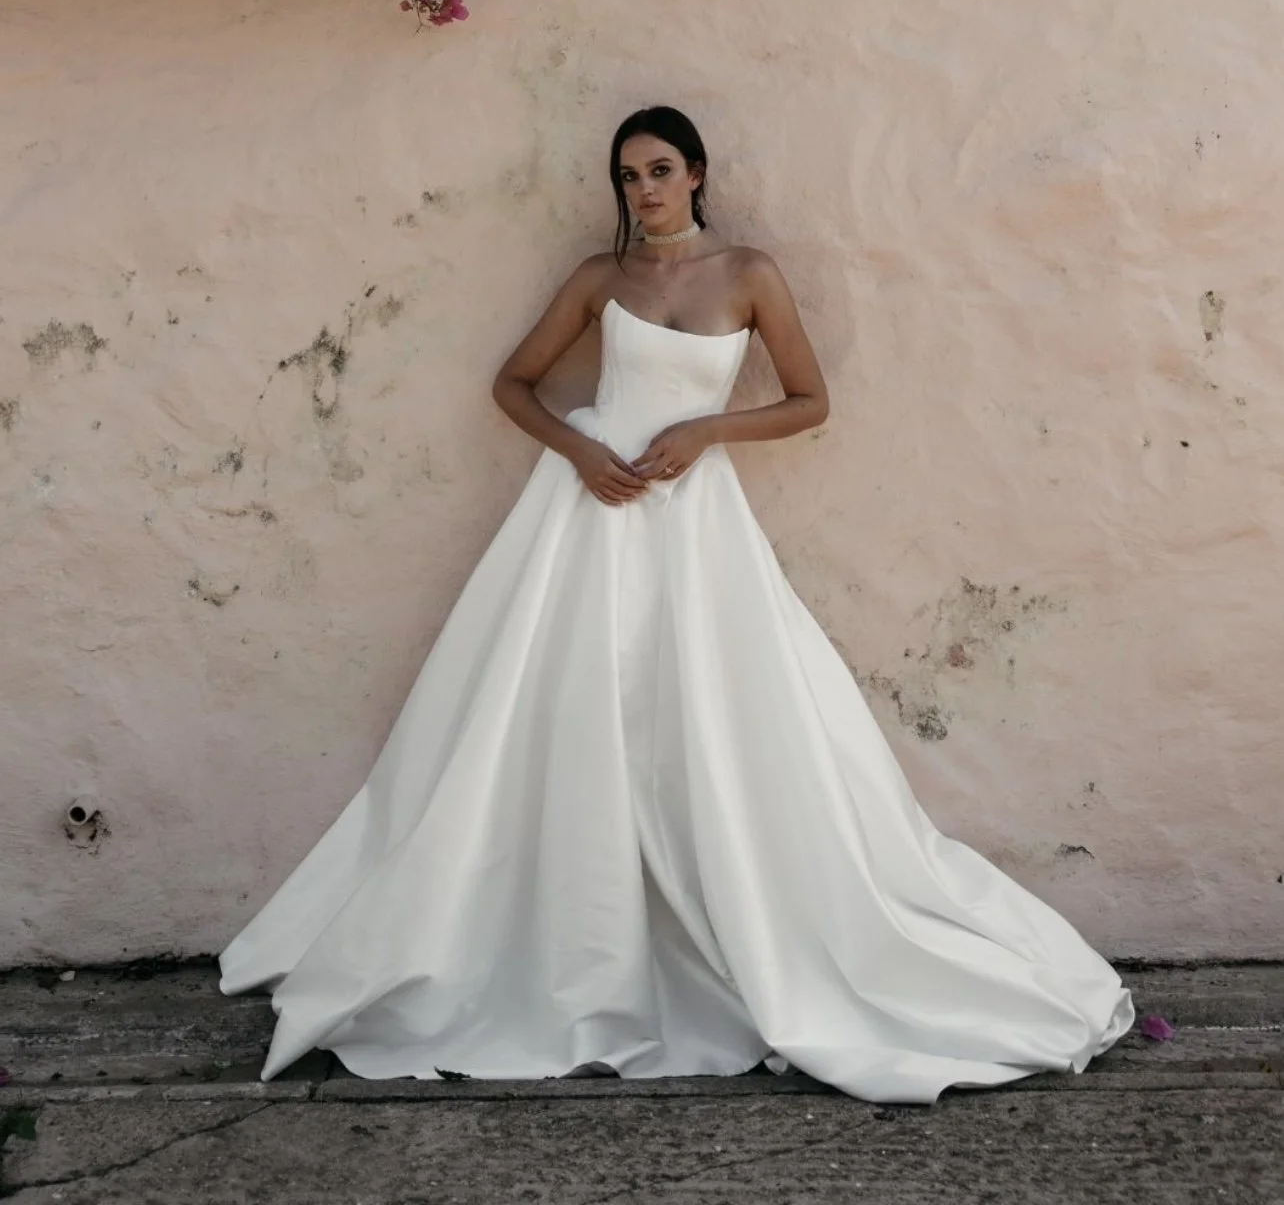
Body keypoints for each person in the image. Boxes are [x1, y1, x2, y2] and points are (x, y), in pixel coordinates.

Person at [218, 105, 1135, 1102]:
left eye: (659, 170)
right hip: (587, 510)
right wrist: (579, 451)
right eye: (628, 176)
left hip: (694, 520)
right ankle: (566, 936)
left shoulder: (749, 275)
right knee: (556, 713)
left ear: (697, 173)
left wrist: (706, 432)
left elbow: (807, 400)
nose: (643, 191)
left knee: (704, 711)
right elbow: (514, 383)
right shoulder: (600, 280)